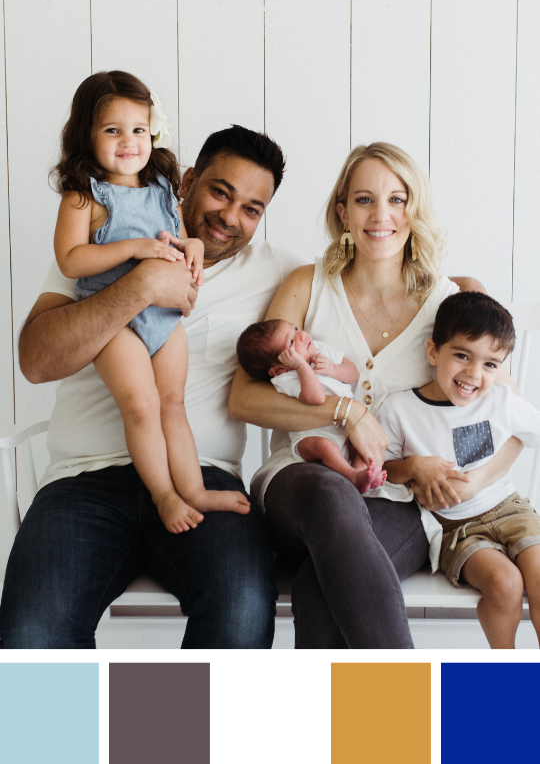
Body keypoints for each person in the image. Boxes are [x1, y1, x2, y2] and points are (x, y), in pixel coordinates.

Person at [0, 118, 302, 649]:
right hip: (84, 480)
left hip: (201, 481)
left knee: (242, 611)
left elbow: (368, 285)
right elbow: (37, 361)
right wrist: (140, 285)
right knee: (31, 634)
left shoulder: (280, 274)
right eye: (220, 192)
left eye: (251, 209)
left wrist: (459, 291)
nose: (230, 217)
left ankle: (180, 736)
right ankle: (71, 736)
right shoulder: (108, 238)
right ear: (186, 181)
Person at [230, 141, 523, 649]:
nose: (380, 215)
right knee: (329, 493)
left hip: (396, 499)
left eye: (397, 199)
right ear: (342, 211)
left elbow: (502, 412)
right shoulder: (308, 285)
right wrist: (347, 411)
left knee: (317, 589)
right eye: (364, 199)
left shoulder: (449, 302)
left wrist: (468, 483)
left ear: (415, 210)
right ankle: (407, 706)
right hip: (298, 486)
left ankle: (341, 728)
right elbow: (244, 399)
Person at [53, 71, 249, 533]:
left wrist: (194, 248)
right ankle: (164, 496)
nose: (128, 142)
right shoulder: (84, 197)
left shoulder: (162, 188)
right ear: (87, 135)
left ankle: (195, 488)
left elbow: (181, 242)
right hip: (115, 322)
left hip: (162, 319)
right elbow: (71, 260)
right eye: (112, 130)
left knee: (172, 404)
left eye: (138, 129)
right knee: (140, 407)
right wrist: (133, 249)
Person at [378, 292, 540, 649]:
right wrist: (413, 467)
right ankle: (505, 666)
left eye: (490, 364)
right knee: (506, 584)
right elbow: (380, 472)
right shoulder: (400, 409)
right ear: (434, 352)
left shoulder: (500, 399)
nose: (474, 374)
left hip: (511, 509)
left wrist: (486, 477)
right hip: (454, 528)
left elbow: (532, 431)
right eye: (462, 356)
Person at [236, 318, 386, 492]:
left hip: (346, 427)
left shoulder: (320, 350)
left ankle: (363, 475)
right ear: (278, 369)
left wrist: (334, 369)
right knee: (324, 447)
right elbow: (316, 398)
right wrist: (301, 366)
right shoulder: (285, 379)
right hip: (312, 434)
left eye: (296, 328)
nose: (302, 335)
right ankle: (350, 474)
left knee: (361, 445)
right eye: (291, 341)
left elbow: (353, 372)